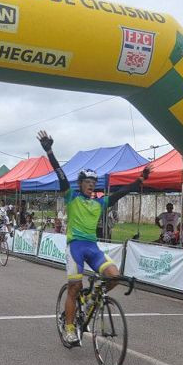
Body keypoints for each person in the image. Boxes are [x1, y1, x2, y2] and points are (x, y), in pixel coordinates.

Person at [37, 130, 149, 345]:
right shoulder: (71, 197)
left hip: (92, 247)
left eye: (93, 182)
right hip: (75, 248)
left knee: (114, 276)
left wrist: (140, 179)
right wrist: (50, 151)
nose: (91, 184)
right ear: (80, 184)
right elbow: (60, 176)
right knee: (74, 287)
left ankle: (90, 300)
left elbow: (121, 193)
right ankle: (69, 326)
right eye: (87, 181)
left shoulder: (99, 202)